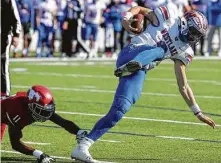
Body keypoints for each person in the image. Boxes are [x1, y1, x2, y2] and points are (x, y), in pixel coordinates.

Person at [71, 5, 216, 163]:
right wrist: (126, 19)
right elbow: (139, 9)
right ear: (186, 23)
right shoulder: (169, 17)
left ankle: (83, 146)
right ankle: (135, 64)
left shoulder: (185, 50)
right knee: (161, 50)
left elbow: (183, 85)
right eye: (193, 32)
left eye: (197, 35)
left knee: (121, 108)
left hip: (139, 69)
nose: (193, 38)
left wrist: (198, 112)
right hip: (131, 52)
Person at [1, 85, 87, 163]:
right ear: (30, 106)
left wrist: (79, 131)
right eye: (40, 110)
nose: (45, 113)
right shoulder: (17, 112)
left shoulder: (37, 106)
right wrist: (39, 154)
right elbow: (15, 144)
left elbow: (62, 121)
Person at [1, 0, 21, 97]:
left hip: (4, 35)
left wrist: (16, 34)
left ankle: (5, 92)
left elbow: (15, 17)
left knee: (2, 63)